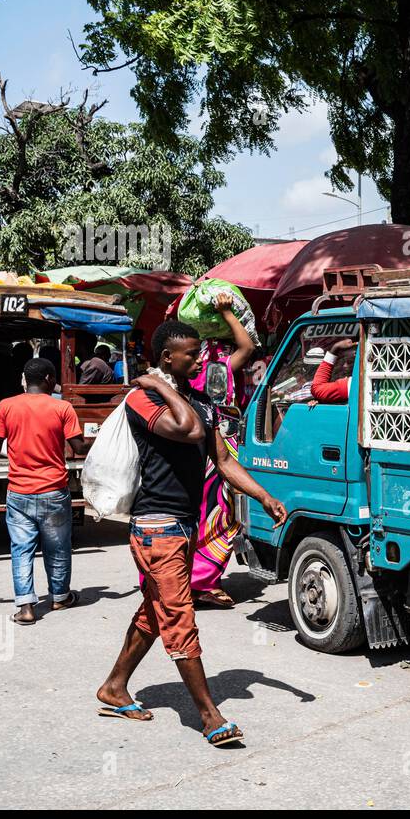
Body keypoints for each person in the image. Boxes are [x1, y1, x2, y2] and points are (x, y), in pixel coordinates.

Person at [97, 320, 287, 746]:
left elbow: (222, 460)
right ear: (167, 357)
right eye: (190, 352)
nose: (199, 357)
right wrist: (163, 387)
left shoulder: (200, 401)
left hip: (185, 525)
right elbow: (188, 431)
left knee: (155, 611)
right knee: (179, 618)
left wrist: (264, 496)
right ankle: (210, 716)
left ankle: (114, 686)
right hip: (156, 526)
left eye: (199, 349)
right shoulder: (143, 398)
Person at [0, 358, 88, 625]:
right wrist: (102, 442)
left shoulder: (6, 406)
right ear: (49, 379)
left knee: (21, 549)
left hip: (19, 491)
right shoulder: (63, 407)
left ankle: (26, 607)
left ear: (25, 378)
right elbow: (79, 448)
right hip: (54, 490)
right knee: (58, 547)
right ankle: (60, 597)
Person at [179, 292, 257, 608]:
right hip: (218, 449)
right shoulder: (213, 371)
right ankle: (201, 581)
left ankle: (190, 579)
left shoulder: (186, 376)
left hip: (200, 449)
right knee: (221, 514)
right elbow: (248, 347)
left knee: (205, 514)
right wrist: (226, 311)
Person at [309, 338, 356, 404]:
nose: (344, 366)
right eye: (343, 361)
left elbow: (317, 389)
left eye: (349, 362)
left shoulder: (353, 383)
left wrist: (336, 347)